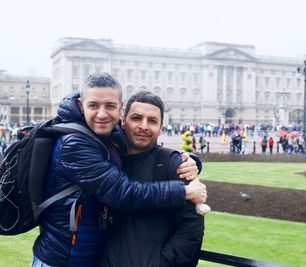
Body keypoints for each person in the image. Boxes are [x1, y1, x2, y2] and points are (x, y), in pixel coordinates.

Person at [31, 73, 207, 267]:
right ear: (81, 106)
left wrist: (186, 161)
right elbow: (123, 193)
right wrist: (184, 191)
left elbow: (191, 229)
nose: (102, 114)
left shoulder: (107, 134)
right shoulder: (75, 143)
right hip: (61, 259)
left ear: (119, 110)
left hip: (89, 257)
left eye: (110, 106)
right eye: (93, 105)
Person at [101, 91, 204, 266]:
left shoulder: (174, 165)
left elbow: (191, 229)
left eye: (152, 121)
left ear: (161, 127)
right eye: (136, 118)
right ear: (123, 121)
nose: (144, 126)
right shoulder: (108, 159)